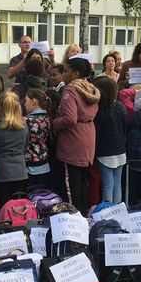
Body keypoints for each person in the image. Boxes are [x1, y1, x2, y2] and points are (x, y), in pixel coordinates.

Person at [52, 58, 100, 213]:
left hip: (73, 141)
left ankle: (74, 217)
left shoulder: (70, 90)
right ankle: (84, 214)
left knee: (71, 184)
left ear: (76, 73)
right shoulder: (91, 89)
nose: (63, 74)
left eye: (66, 71)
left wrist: (54, 124)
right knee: (82, 183)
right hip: (88, 137)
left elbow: (69, 118)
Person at [0, 92, 29, 207]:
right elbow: (25, 148)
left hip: (1, 171)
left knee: (4, 206)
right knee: (18, 207)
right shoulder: (24, 126)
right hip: (20, 170)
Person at [93, 77, 126, 203]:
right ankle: (117, 210)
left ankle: (107, 211)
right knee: (117, 182)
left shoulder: (100, 110)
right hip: (120, 149)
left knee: (108, 184)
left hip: (104, 151)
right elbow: (124, 127)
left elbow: (98, 132)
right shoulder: (121, 107)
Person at [23, 88, 52, 189]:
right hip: (44, 162)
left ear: (34, 101)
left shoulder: (26, 121)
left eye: (26, 101)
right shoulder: (48, 118)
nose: (24, 104)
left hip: (29, 165)